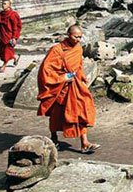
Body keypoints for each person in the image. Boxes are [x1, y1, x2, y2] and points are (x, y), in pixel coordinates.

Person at [37, 25, 99, 153]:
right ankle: (54, 138)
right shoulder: (57, 50)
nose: (78, 39)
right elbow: (46, 70)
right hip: (60, 87)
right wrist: (63, 77)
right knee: (56, 114)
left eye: (80, 37)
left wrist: (81, 76)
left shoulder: (78, 48)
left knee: (81, 110)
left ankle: (85, 143)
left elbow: (78, 65)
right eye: (75, 36)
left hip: (75, 85)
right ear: (68, 35)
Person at [0, 0, 22, 73]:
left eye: (5, 4)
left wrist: (14, 38)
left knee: (7, 51)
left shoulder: (12, 14)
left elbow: (15, 27)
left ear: (9, 5)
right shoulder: (1, 14)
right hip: (3, 36)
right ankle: (16, 57)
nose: (3, 5)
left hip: (10, 36)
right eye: (2, 4)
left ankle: (4, 66)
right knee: (2, 51)